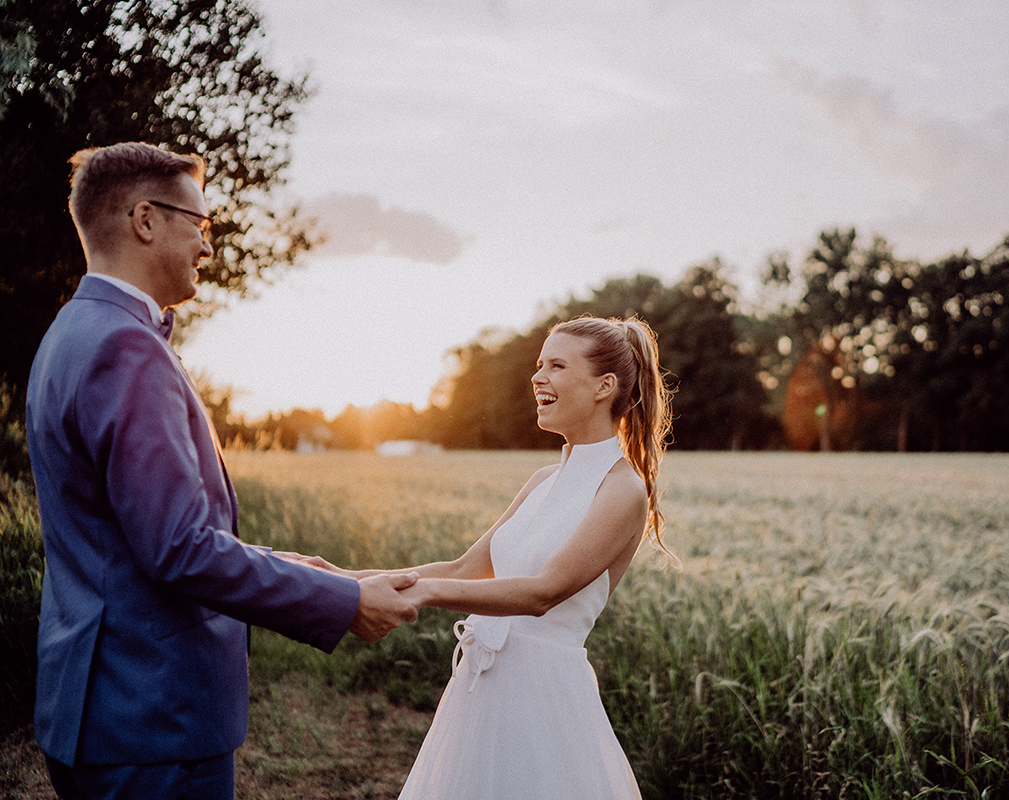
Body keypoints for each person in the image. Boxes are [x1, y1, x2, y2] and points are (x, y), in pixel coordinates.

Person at [25, 141, 419, 800]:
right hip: (153, 722)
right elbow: (179, 550)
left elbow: (135, 535)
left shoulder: (70, 333)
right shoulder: (128, 347)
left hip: (97, 711)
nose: (208, 247)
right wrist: (344, 603)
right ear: (145, 220)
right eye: (200, 224)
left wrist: (296, 567)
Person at [304, 315, 673, 799]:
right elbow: (462, 569)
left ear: (604, 386)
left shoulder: (623, 488)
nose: (538, 377)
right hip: (485, 687)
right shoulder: (543, 480)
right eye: (540, 364)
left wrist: (425, 594)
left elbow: (542, 593)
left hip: (544, 700)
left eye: (557, 366)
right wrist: (341, 578)